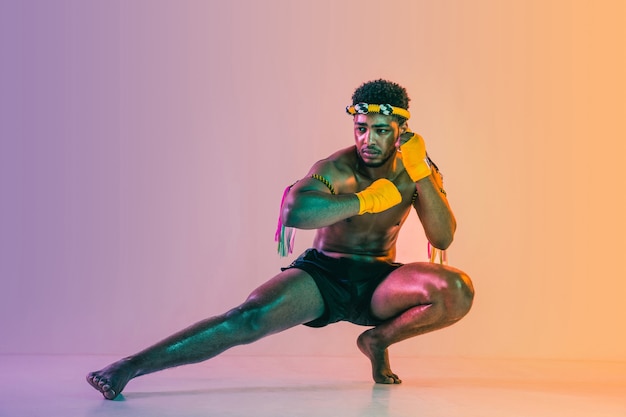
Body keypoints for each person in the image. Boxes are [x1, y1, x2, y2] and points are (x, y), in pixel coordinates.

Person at [86, 79, 474, 400]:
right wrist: (365, 200)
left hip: (380, 281)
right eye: (361, 128)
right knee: (247, 318)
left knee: (456, 288)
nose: (368, 140)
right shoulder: (336, 168)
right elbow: (296, 213)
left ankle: (377, 341)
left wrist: (421, 172)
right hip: (324, 275)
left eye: (381, 130)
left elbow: (443, 236)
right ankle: (129, 366)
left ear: (402, 132)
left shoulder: (417, 170)